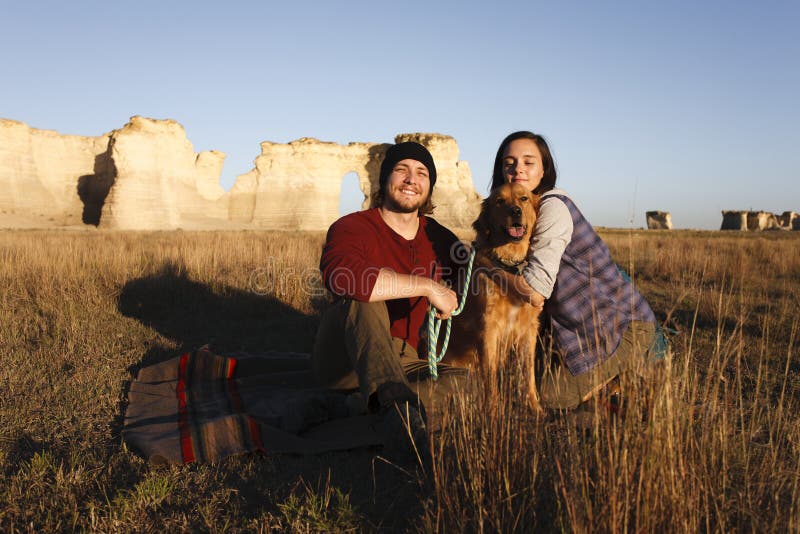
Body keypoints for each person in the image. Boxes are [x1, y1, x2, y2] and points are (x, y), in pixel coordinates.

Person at [485, 131, 662, 412]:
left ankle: (624, 379)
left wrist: (487, 269)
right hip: (584, 330)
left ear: (544, 169)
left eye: (528, 162)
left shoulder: (552, 207)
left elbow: (535, 292)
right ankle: (605, 381)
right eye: (509, 162)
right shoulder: (521, 210)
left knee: (553, 398)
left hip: (619, 327)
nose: (518, 168)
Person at [312, 141, 466, 462]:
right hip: (348, 354)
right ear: (384, 181)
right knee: (364, 296)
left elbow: (479, 282)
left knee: (472, 389)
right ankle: (399, 420)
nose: (412, 179)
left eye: (422, 173)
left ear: (429, 186)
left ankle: (363, 406)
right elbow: (342, 276)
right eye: (401, 170)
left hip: (405, 360)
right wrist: (427, 286)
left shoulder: (440, 238)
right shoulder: (353, 226)